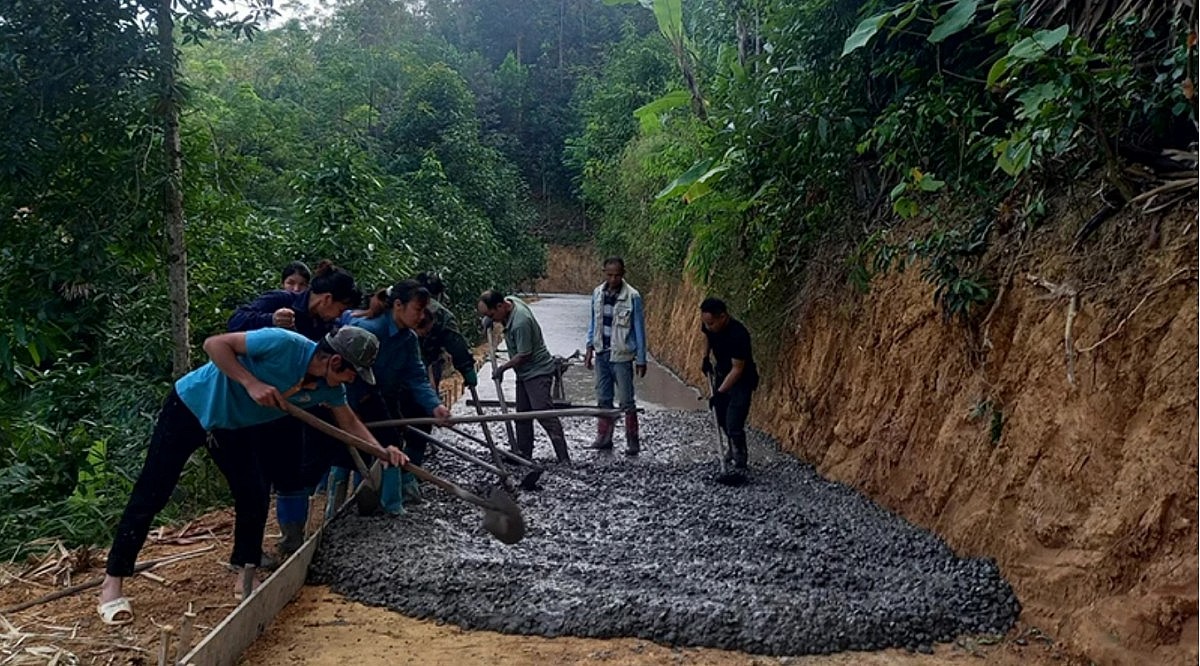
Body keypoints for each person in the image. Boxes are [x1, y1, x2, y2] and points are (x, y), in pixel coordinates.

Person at [96, 327, 404, 626]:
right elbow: (214, 344)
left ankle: (244, 573)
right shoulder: (283, 344)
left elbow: (348, 421)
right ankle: (113, 582)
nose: (352, 381)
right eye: (352, 373)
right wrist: (250, 382)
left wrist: (381, 452)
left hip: (233, 427)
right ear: (335, 361)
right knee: (152, 493)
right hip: (192, 407)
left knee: (254, 493)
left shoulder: (330, 387)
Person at [227, 260, 362, 560]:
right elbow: (236, 322)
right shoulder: (281, 303)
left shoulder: (326, 324)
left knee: (292, 474)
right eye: (339, 308)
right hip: (260, 405)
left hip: (297, 407)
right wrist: (270, 319)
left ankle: (292, 541)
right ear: (327, 299)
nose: (340, 315)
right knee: (257, 480)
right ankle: (247, 552)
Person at [349, 280, 452, 512]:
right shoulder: (368, 331)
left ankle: (390, 506)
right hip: (357, 401)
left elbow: (416, 376)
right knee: (357, 454)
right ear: (398, 305)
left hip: (387, 400)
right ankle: (357, 504)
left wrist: (435, 406)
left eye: (424, 311)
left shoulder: (408, 339)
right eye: (417, 309)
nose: (421, 316)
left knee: (392, 446)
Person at [476, 290, 570, 463]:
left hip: (538, 371)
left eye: (491, 315)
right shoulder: (510, 301)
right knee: (522, 415)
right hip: (524, 372)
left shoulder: (521, 322)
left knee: (544, 414)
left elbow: (524, 354)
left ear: (500, 306)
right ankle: (523, 454)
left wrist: (502, 369)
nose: (492, 319)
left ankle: (563, 457)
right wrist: (488, 320)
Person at [583, 257, 647, 456]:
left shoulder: (632, 296)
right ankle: (604, 438)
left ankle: (632, 440)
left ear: (623, 274)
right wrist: (589, 348)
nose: (613, 279)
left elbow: (639, 329)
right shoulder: (597, 293)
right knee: (603, 398)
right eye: (609, 275)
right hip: (602, 352)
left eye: (617, 275)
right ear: (604, 272)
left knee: (627, 400)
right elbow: (594, 323)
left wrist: (641, 359)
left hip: (622, 355)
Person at [699, 297, 758, 470]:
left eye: (711, 323)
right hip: (722, 373)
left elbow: (738, 369)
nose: (708, 327)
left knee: (734, 421)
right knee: (721, 416)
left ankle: (740, 457)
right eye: (706, 323)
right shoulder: (710, 325)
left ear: (723, 317)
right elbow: (707, 336)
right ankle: (731, 448)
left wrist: (720, 393)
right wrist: (705, 357)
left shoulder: (738, 334)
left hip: (741, 380)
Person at [414, 272, 478, 397]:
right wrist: (467, 368)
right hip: (424, 366)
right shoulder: (440, 313)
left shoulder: (400, 303)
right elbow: (455, 344)